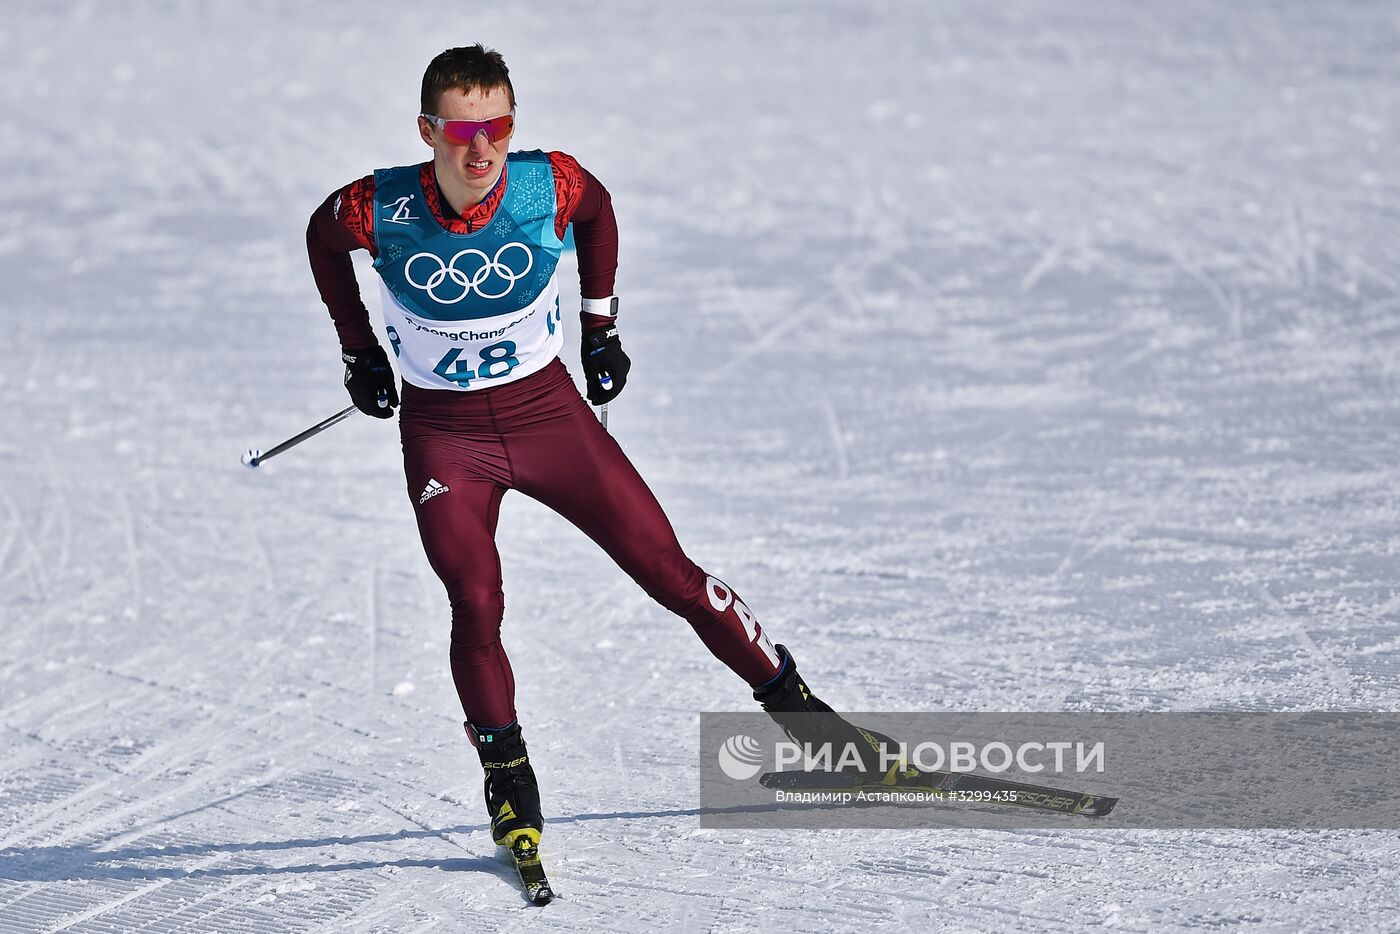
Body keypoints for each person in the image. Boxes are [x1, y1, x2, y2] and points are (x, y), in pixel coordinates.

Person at [305, 44, 883, 863]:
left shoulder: (548, 183)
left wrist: (601, 327)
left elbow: (600, 213)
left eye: (498, 125)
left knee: (669, 572)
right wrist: (358, 351)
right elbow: (320, 242)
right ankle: (507, 771)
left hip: (550, 418)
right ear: (428, 130)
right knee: (474, 599)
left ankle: (801, 712)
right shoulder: (376, 207)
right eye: (463, 129)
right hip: (448, 438)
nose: (482, 148)